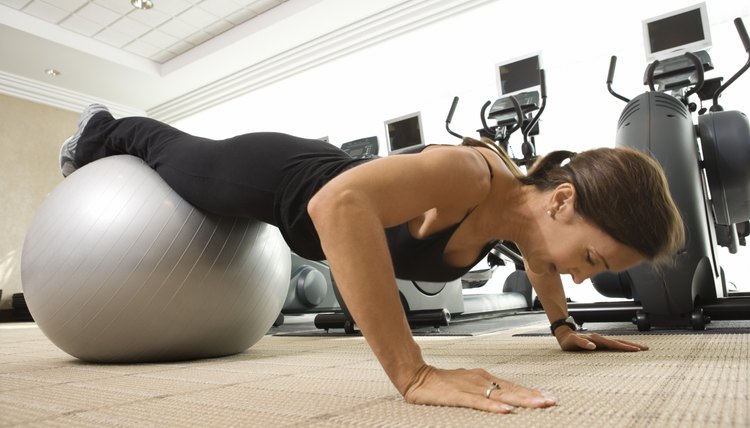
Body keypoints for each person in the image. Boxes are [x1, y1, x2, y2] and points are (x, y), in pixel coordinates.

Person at [59, 104, 685, 414]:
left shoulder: (524, 221)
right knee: (173, 155)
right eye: (594, 258)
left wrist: (563, 327)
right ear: (564, 202)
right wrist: (413, 374)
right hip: (279, 178)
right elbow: (337, 207)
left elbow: (547, 268)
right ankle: (103, 129)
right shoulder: (470, 176)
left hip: (316, 179)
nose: (583, 274)